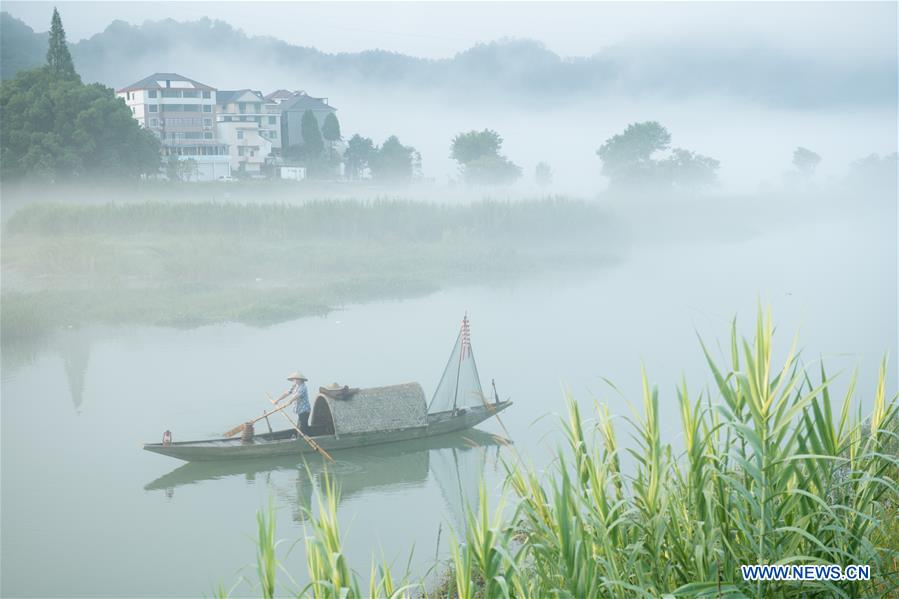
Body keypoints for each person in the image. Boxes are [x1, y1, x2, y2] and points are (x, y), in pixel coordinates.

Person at [276, 372, 311, 436]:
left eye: (295, 379)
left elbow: (297, 396)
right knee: (300, 425)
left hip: (304, 410)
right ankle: (301, 437)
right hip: (299, 410)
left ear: (300, 380)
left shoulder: (303, 387)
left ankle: (307, 437)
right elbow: (287, 393)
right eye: (293, 379)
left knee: (303, 425)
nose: (294, 381)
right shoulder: (295, 386)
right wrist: (278, 400)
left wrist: (290, 401)